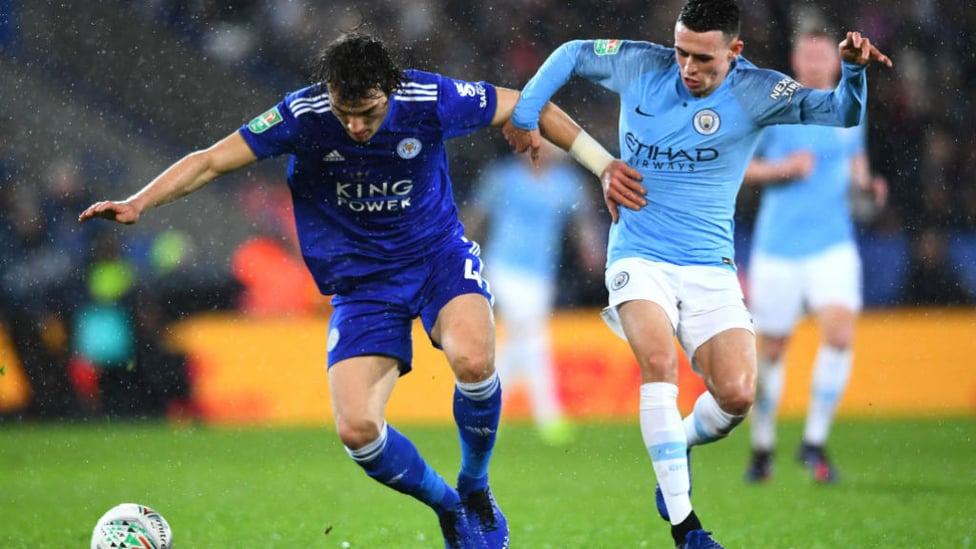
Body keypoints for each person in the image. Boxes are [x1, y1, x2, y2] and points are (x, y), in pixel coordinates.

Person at [79, 30, 612, 549]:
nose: (356, 126)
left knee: (474, 361)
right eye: (345, 112)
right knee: (358, 431)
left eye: (369, 113)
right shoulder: (302, 115)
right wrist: (139, 203)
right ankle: (447, 505)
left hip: (436, 259)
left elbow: (532, 104)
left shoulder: (428, 98)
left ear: (391, 92)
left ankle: (474, 486)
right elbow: (213, 159)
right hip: (362, 284)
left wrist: (604, 166)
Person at [506, 1, 891, 547]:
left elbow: (842, 114)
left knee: (736, 395)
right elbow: (570, 55)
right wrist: (525, 115)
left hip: (710, 265)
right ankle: (687, 527)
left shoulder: (759, 91)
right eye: (682, 51)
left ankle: (679, 445)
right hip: (638, 254)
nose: (688, 66)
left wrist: (853, 71)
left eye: (703, 58)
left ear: (734, 51)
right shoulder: (640, 64)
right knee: (659, 363)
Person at [740, 30, 889, 485]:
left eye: (824, 55)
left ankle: (814, 442)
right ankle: (763, 446)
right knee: (772, 350)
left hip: (833, 243)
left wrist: (865, 183)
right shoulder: (775, 108)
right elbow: (742, 168)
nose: (817, 62)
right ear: (795, 60)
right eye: (808, 54)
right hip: (779, 248)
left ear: (834, 60)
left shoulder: (848, 105)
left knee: (840, 336)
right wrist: (784, 169)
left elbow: (854, 158)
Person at [464, 140, 604, 446]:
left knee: (522, 341)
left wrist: (591, 247)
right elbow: (477, 215)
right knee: (532, 337)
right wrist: (460, 251)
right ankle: (548, 416)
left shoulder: (566, 183)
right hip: (502, 265)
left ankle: (481, 407)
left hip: (540, 272)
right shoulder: (503, 176)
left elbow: (582, 220)